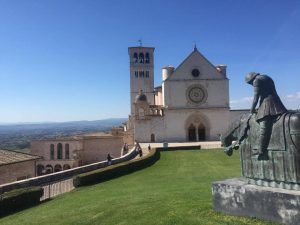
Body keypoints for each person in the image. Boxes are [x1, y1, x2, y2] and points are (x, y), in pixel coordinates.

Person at [245, 72, 287, 160]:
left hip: (268, 104)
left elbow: (256, 97)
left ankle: (261, 151)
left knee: (264, 126)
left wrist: (252, 109)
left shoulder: (257, 80)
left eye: (250, 83)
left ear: (251, 80)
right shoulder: (267, 77)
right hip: (276, 102)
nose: (252, 85)